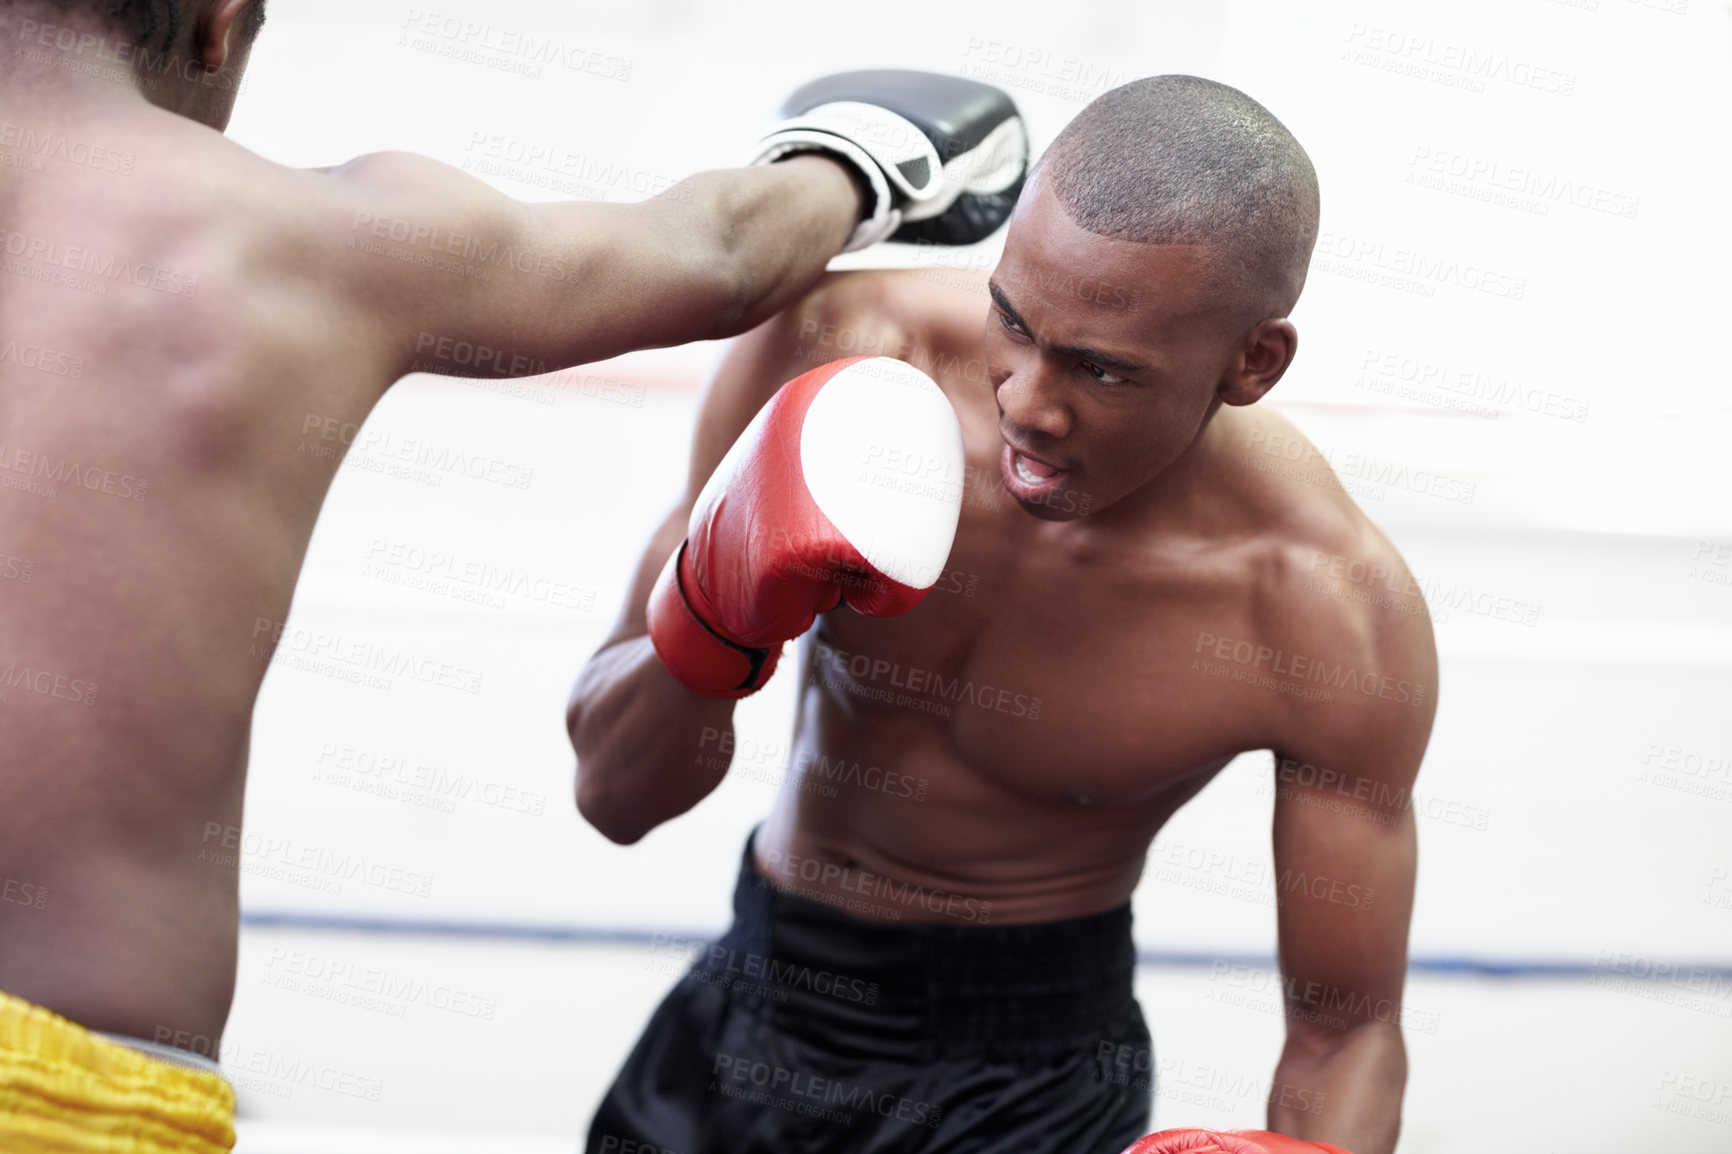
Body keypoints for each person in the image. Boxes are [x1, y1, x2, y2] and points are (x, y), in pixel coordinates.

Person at [0, 0, 1027, 1148]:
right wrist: (862, 157)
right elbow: (722, 255)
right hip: (68, 1084)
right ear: (217, 24)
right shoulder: (294, 234)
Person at [571, 75, 1437, 1154]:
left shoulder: (1323, 609)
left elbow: (1346, 1032)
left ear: (1250, 362)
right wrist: (710, 620)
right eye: (1012, 321)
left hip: (1026, 1079)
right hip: (756, 989)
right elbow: (615, 796)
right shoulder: (851, 348)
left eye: (1103, 370)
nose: (1025, 399)